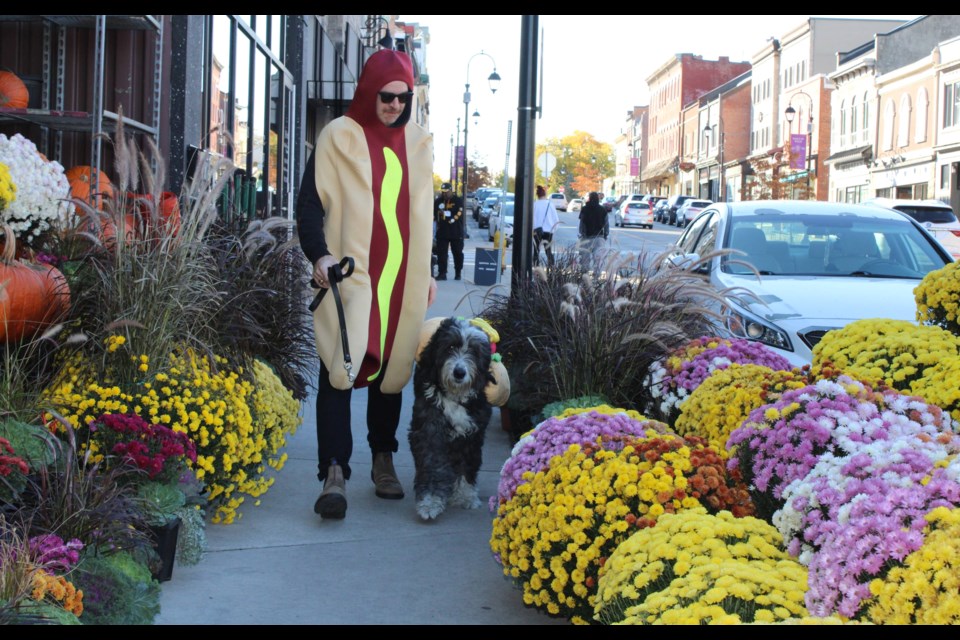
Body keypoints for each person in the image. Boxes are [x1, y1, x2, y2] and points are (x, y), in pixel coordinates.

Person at [296, 49, 438, 521]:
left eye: (403, 97)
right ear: (367, 91)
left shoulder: (418, 143)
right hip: (351, 278)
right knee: (339, 368)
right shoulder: (338, 138)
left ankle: (383, 458)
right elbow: (309, 204)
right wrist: (320, 254)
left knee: (392, 373)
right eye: (386, 96)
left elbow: (422, 216)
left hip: (401, 279)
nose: (395, 105)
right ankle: (333, 472)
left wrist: (428, 271)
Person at [434, 181, 465, 280]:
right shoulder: (438, 201)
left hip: (455, 231)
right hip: (442, 231)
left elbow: (458, 214)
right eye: (443, 192)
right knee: (441, 253)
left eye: (446, 192)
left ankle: (458, 272)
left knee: (457, 253)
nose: (444, 194)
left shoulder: (458, 201)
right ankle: (442, 273)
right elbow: (435, 214)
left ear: (451, 191)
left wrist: (448, 216)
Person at [532, 185, 560, 267]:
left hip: (537, 230)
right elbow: (556, 219)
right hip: (549, 231)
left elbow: (532, 218)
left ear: (537, 195)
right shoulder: (550, 205)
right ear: (545, 194)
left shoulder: (535, 204)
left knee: (536, 250)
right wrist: (554, 229)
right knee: (548, 250)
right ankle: (551, 267)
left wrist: (533, 228)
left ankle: (535, 266)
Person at [578, 191, 608, 269]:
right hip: (599, 238)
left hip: (586, 238)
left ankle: (584, 276)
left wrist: (582, 234)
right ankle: (596, 277)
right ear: (598, 199)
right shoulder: (603, 209)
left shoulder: (584, 209)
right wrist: (605, 236)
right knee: (598, 260)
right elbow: (606, 224)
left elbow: (582, 224)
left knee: (584, 260)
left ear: (590, 199)